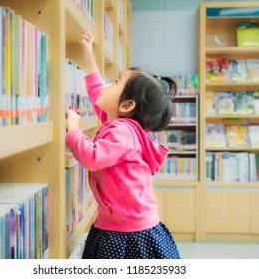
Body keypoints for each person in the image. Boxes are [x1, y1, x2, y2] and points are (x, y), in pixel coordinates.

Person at [65, 31, 180, 259]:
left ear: (127, 105)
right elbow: (98, 92)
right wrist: (89, 57)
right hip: (122, 225)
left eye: (116, 82)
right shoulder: (120, 123)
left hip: (127, 234)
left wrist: (74, 130)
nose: (108, 84)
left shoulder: (123, 132)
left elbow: (92, 157)